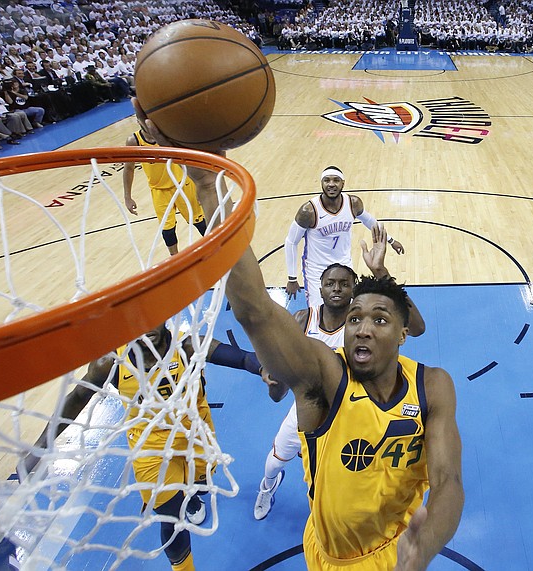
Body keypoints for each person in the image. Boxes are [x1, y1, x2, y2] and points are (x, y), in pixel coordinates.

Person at [137, 97, 463, 569]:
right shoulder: (325, 375)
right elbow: (253, 310)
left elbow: (449, 480)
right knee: (277, 455)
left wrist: (427, 541)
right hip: (330, 555)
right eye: (354, 319)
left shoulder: (433, 385)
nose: (362, 328)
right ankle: (267, 490)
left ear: (404, 333)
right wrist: (209, 186)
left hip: (399, 553)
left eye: (379, 318)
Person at [23, 325, 262, 571]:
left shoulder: (189, 347)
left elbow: (243, 358)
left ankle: (190, 495)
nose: (145, 327)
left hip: (194, 432)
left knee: (199, 486)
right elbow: (76, 398)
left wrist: (264, 369)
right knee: (171, 518)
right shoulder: (110, 363)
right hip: (150, 445)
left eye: (151, 319)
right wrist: (42, 444)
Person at [254, 225, 426, 521]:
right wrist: (274, 377)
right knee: (272, 463)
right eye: (330, 284)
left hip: (353, 409)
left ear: (354, 288)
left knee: (346, 474)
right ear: (319, 288)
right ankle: (268, 487)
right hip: (307, 406)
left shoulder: (363, 320)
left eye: (344, 284)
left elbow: (418, 327)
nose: (337, 289)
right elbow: (279, 391)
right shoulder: (302, 319)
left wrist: (382, 271)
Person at [285, 166, 405, 307]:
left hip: (344, 264)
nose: (331, 184)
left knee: (349, 309)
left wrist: (391, 240)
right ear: (321, 183)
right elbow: (291, 242)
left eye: (336, 180)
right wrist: (292, 278)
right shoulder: (308, 211)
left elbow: (369, 221)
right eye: (326, 180)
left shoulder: (353, 203)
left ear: (343, 183)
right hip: (317, 269)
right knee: (319, 312)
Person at [122, 125, 207, 255]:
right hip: (159, 190)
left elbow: (187, 159)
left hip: (182, 184)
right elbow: (128, 168)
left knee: (199, 221)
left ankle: (217, 248)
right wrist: (127, 197)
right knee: (167, 230)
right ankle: (175, 260)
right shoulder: (134, 141)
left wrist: (199, 185)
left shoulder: (167, 134)